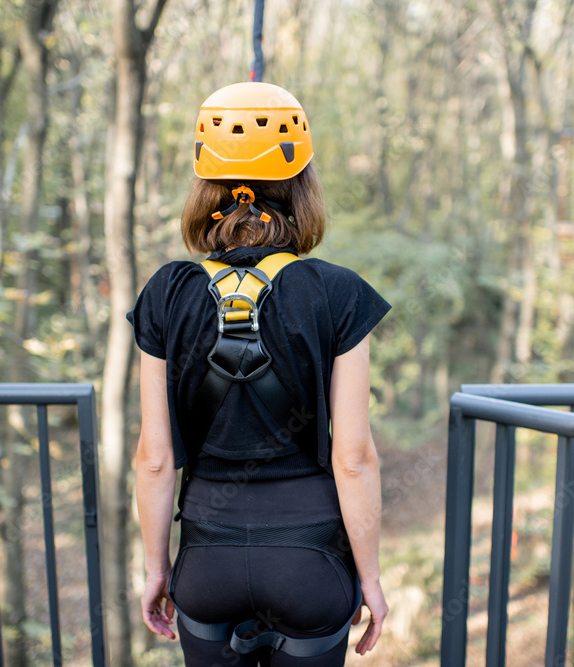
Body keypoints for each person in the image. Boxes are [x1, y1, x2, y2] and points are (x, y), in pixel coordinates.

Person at [129, 81, 390, 666]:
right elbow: (353, 458)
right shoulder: (337, 293)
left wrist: (157, 569)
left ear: (205, 184)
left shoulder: (167, 293)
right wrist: (369, 577)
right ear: (303, 185)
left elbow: (153, 457)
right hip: (311, 563)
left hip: (206, 562)